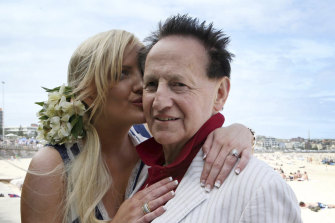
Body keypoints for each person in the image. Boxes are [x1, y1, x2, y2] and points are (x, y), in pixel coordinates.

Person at [21, 29, 254, 223]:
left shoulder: (153, 146)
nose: (143, 85)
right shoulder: (53, 166)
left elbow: (198, 132)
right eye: (122, 73)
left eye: (144, 73)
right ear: (88, 93)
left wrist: (241, 132)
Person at [137, 14, 302, 222]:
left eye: (179, 84)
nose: (159, 103)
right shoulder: (138, 171)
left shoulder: (259, 188)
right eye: (151, 84)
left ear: (220, 94)